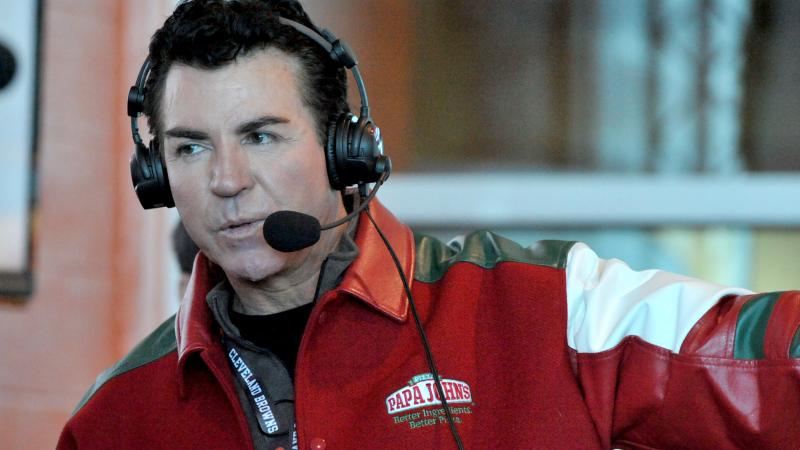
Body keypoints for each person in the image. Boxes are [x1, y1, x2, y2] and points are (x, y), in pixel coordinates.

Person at [58, 1, 800, 449]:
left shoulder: (551, 310)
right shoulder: (116, 420)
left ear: (345, 147)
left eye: (261, 136)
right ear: (156, 177)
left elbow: (763, 362)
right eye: (190, 148)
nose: (226, 181)